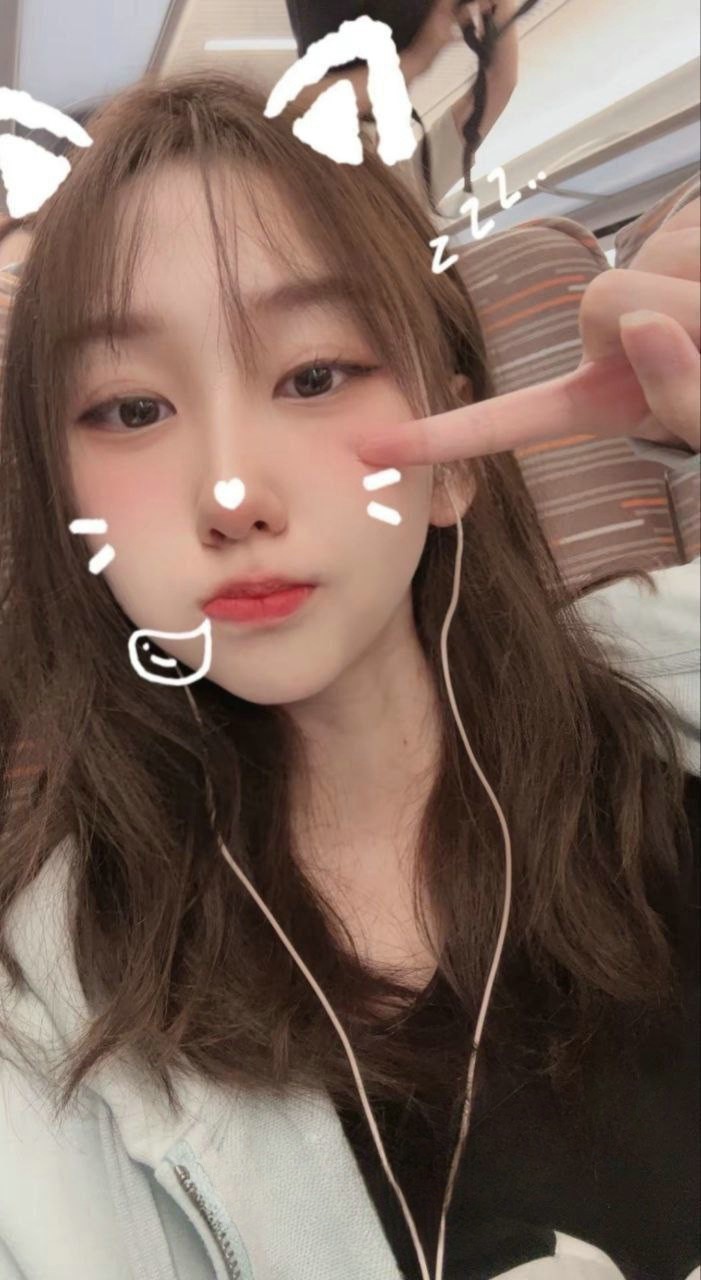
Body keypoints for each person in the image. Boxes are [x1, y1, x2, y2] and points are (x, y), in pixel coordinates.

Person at [0, 69, 698, 1280]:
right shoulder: (43, 1024)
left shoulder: (665, 717)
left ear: (456, 457)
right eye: (130, 408)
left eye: (313, 375)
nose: (231, 495)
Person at [288, 0, 522, 223]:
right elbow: (300, 107)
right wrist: (418, 58)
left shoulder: (408, 183)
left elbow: (498, 82)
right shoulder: (408, 184)